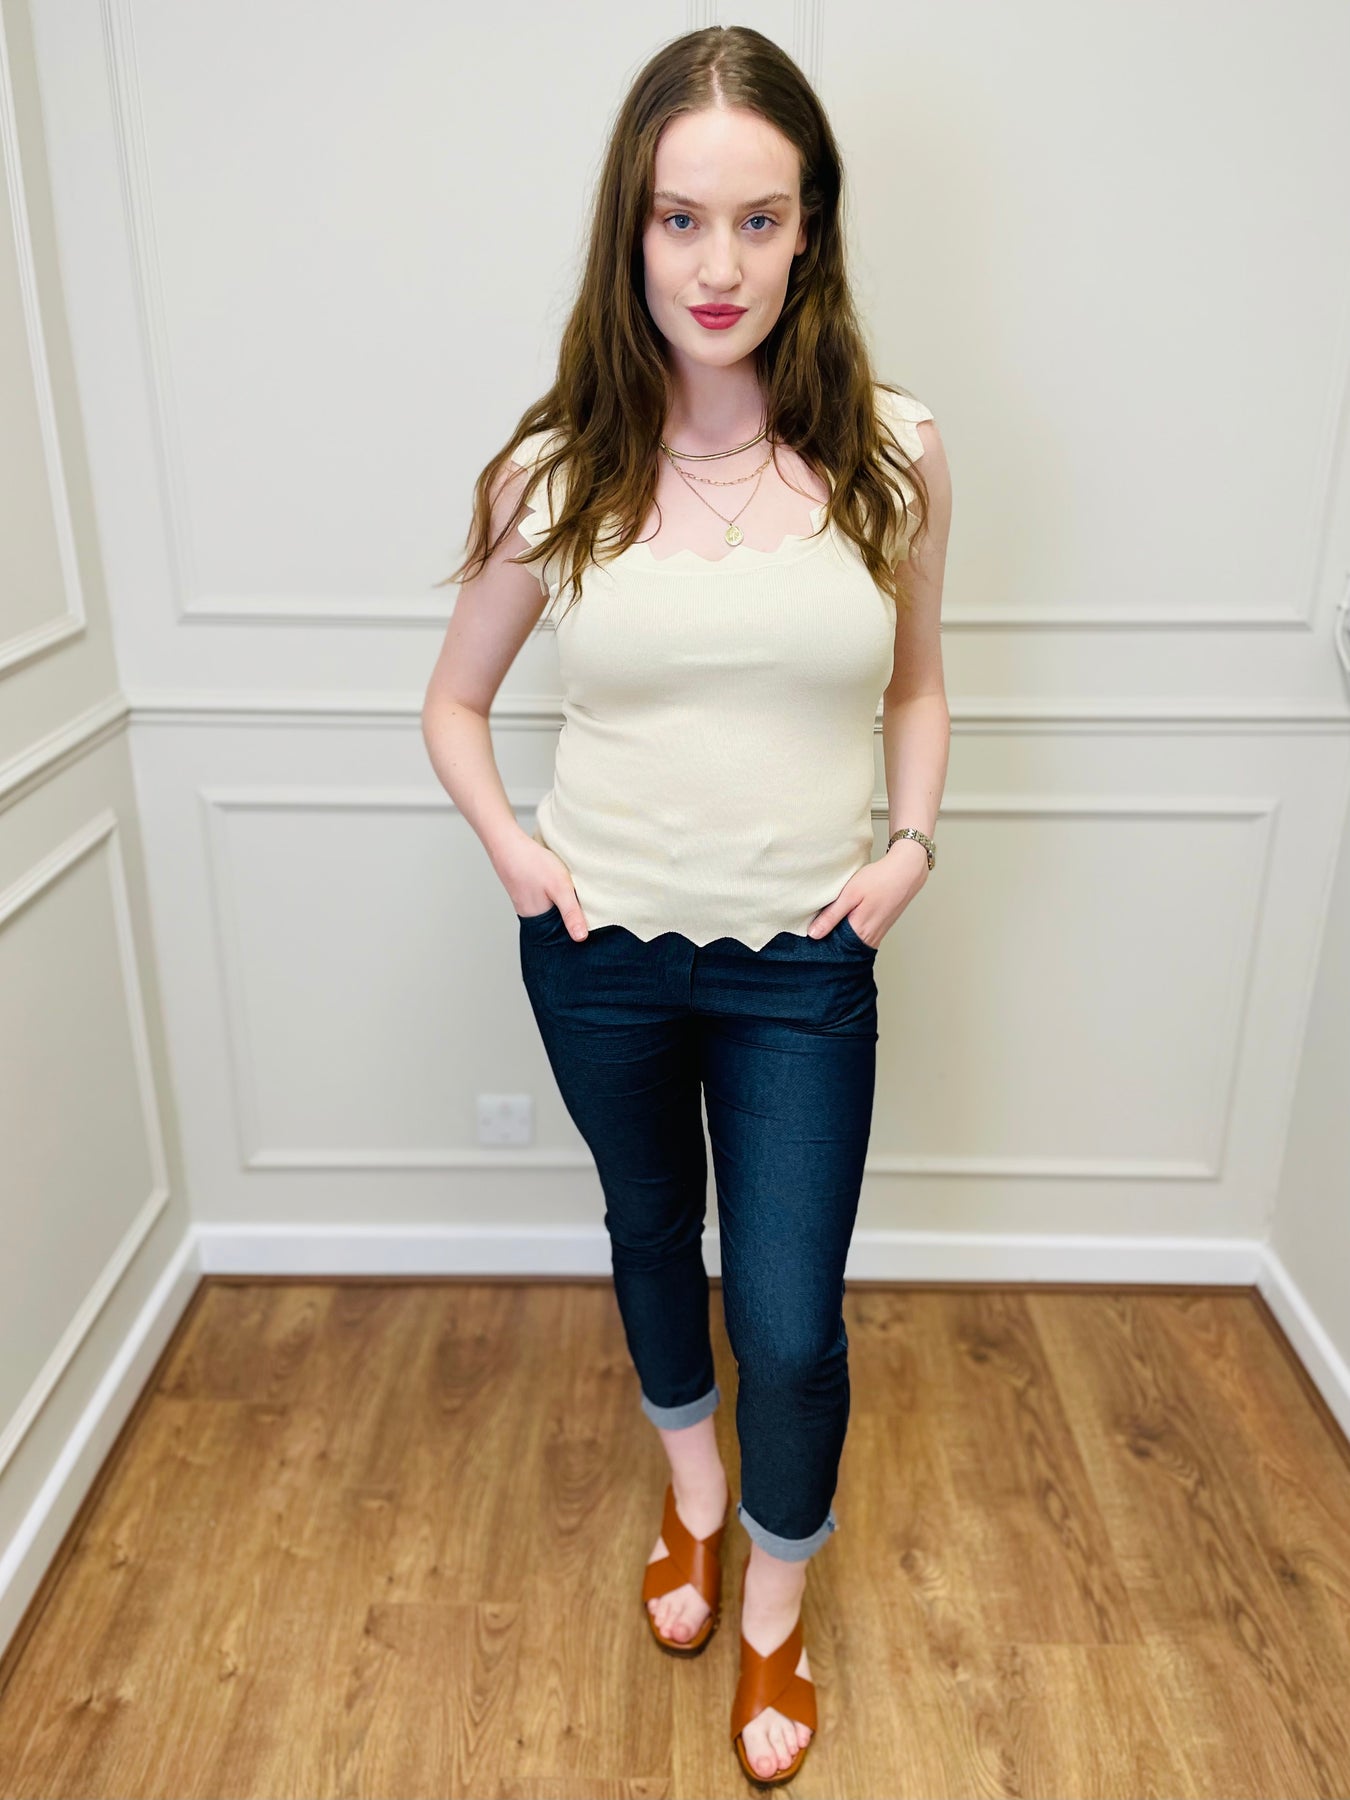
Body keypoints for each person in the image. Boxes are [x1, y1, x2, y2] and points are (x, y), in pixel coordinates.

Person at [422, 23, 952, 1788]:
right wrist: (518, 855)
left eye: (757, 219)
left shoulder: (893, 455)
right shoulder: (550, 470)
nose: (716, 265)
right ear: (629, 232)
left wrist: (908, 848)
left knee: (789, 1321)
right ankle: (695, 1499)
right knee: (652, 1235)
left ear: (810, 232)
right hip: (600, 958)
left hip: (807, 958)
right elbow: (453, 701)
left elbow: (917, 685)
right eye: (678, 220)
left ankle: (777, 1604)